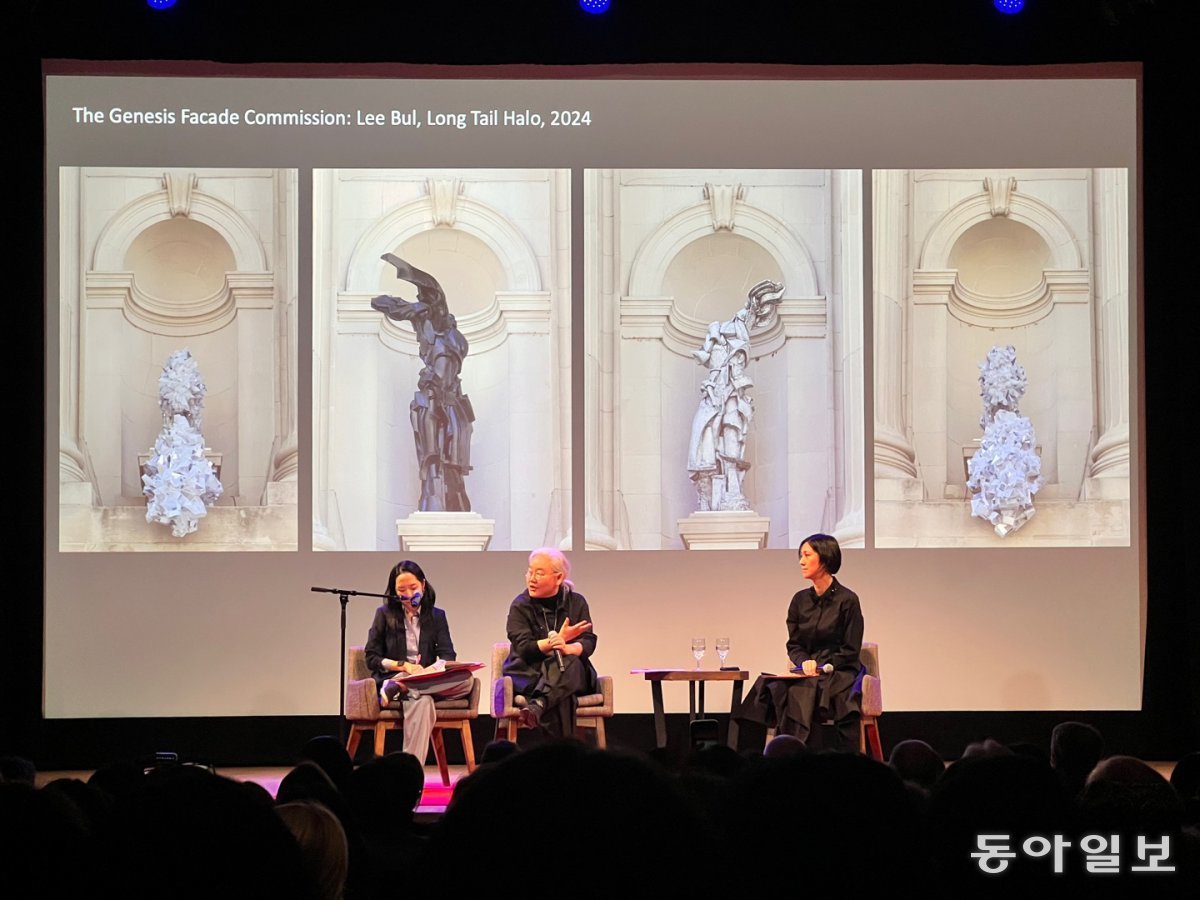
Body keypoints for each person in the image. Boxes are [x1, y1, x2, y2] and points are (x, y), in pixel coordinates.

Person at [736, 533, 864, 751]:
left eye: (806, 555)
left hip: (839, 670)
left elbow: (850, 649)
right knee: (768, 687)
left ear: (824, 558)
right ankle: (760, 755)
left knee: (807, 690)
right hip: (806, 670)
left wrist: (823, 666)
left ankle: (809, 755)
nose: (801, 561)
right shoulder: (799, 600)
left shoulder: (847, 600)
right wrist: (804, 661)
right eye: (800, 555)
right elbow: (794, 644)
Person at [364, 560, 474, 761]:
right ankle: (410, 777)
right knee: (422, 702)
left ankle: (402, 687)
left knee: (467, 680)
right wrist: (404, 666)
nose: (408, 594)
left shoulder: (436, 615)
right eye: (401, 590)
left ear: (423, 585)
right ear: (394, 592)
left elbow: (448, 654)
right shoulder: (384, 614)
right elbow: (371, 657)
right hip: (399, 674)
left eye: (413, 587)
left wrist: (432, 670)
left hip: (427, 678)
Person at [502, 548, 596, 738]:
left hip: (570, 670)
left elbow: (588, 641)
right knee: (563, 694)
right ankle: (565, 759)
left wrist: (568, 646)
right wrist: (554, 643)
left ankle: (538, 704)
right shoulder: (520, 605)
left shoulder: (576, 602)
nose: (532, 578)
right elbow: (524, 648)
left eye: (539, 573)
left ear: (559, 577)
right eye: (530, 571)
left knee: (571, 662)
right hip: (530, 672)